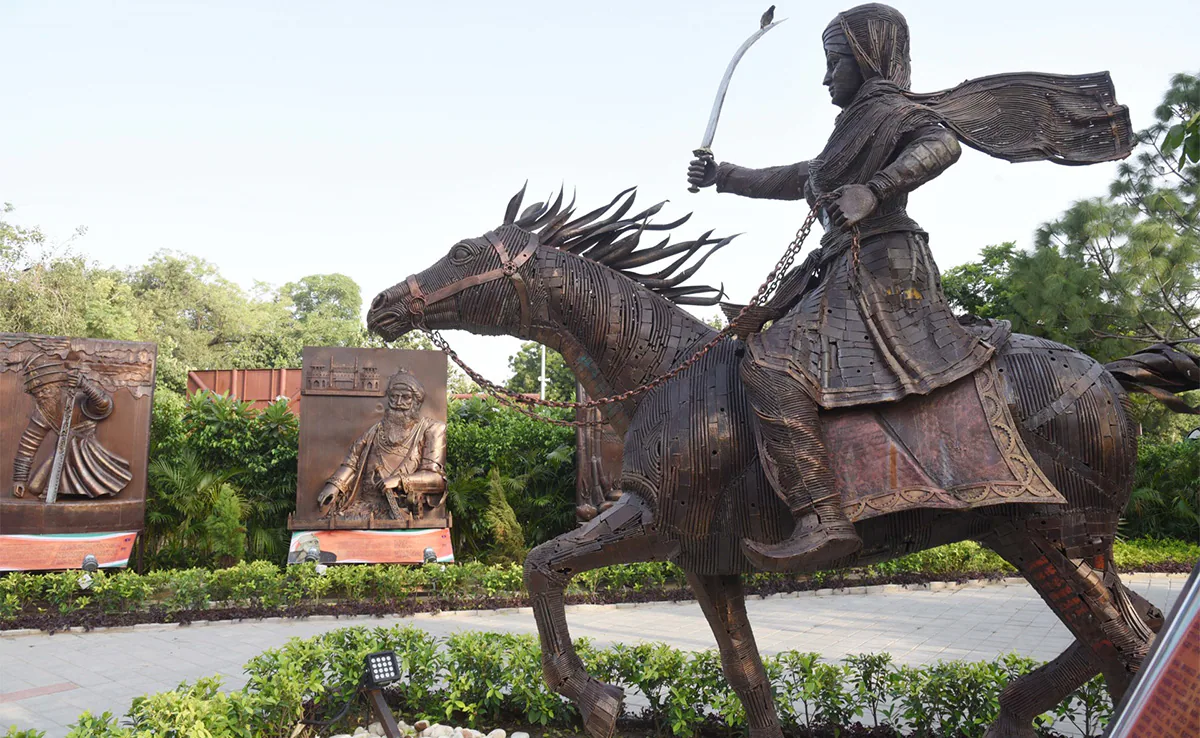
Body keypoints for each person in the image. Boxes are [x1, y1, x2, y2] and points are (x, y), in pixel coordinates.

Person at [687, 3, 1131, 571]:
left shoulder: (894, 111)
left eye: (835, 62)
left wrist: (877, 188)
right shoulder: (853, 126)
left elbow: (941, 145)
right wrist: (723, 175)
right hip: (847, 261)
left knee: (770, 366)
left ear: (867, 58)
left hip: (884, 266)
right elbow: (804, 176)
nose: (827, 77)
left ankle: (822, 516)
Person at [317, 368, 447, 521]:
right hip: (364, 508)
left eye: (406, 397)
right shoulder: (375, 431)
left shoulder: (432, 429)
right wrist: (334, 486)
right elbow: (351, 462)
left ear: (417, 401)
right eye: (394, 397)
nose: (398, 403)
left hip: (401, 510)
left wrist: (400, 481)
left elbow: (437, 480)